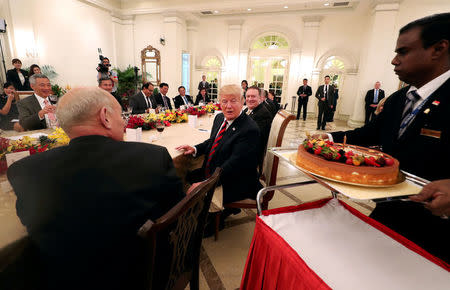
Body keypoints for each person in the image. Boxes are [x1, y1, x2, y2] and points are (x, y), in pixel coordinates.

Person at [7, 87, 185, 289]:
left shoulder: (23, 170)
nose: (123, 122)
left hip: (62, 279)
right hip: (139, 277)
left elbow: (28, 220)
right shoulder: (154, 157)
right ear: (105, 117)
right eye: (120, 115)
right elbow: (177, 213)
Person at [325, 13, 450, 263]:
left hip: (439, 235)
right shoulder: (399, 99)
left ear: (438, 49)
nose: (394, 60)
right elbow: (368, 134)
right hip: (390, 213)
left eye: (403, 52)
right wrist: (327, 138)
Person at [176, 84, 261, 205]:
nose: (228, 106)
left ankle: (208, 220)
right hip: (214, 170)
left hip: (234, 181)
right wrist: (195, 149)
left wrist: (206, 184)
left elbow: (235, 165)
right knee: (179, 180)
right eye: (224, 101)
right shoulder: (220, 117)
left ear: (243, 102)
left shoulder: (250, 129)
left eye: (233, 101)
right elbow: (212, 141)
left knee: (189, 196)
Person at [243, 86, 273, 170]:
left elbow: (252, 138)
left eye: (253, 96)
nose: (250, 99)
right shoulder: (247, 110)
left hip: (251, 152)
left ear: (260, 98)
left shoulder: (263, 114)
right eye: (248, 96)